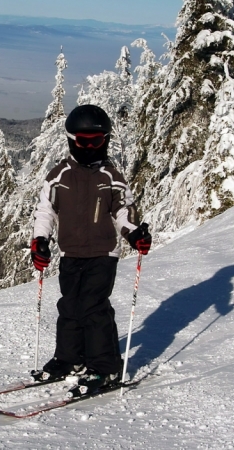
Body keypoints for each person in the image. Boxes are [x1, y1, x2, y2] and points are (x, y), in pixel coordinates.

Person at [30, 104, 152, 395]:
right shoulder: (59, 176)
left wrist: (134, 234)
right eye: (82, 141)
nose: (88, 147)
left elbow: (123, 211)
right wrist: (40, 240)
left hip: (102, 253)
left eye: (95, 141)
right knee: (70, 306)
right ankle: (70, 359)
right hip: (71, 252)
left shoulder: (112, 176)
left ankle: (105, 367)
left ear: (105, 140)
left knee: (93, 307)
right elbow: (45, 211)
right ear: (71, 140)